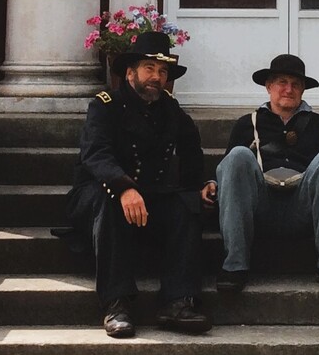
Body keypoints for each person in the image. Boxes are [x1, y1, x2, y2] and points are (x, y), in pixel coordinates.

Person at [66, 30, 212, 339]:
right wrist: (124, 187)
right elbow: (96, 154)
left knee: (185, 204)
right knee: (110, 199)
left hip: (150, 198)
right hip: (97, 196)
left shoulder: (170, 109)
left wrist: (200, 184)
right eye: (149, 68)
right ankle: (116, 304)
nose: (157, 77)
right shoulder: (105, 105)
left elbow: (191, 150)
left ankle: (177, 301)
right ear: (130, 72)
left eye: (162, 71)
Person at [207, 53, 319, 294]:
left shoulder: (317, 123)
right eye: (281, 82)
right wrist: (211, 183)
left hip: (301, 208)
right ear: (268, 87)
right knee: (238, 155)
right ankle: (234, 265)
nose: (288, 89)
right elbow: (230, 171)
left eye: (295, 84)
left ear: (302, 90)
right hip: (260, 205)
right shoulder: (247, 123)